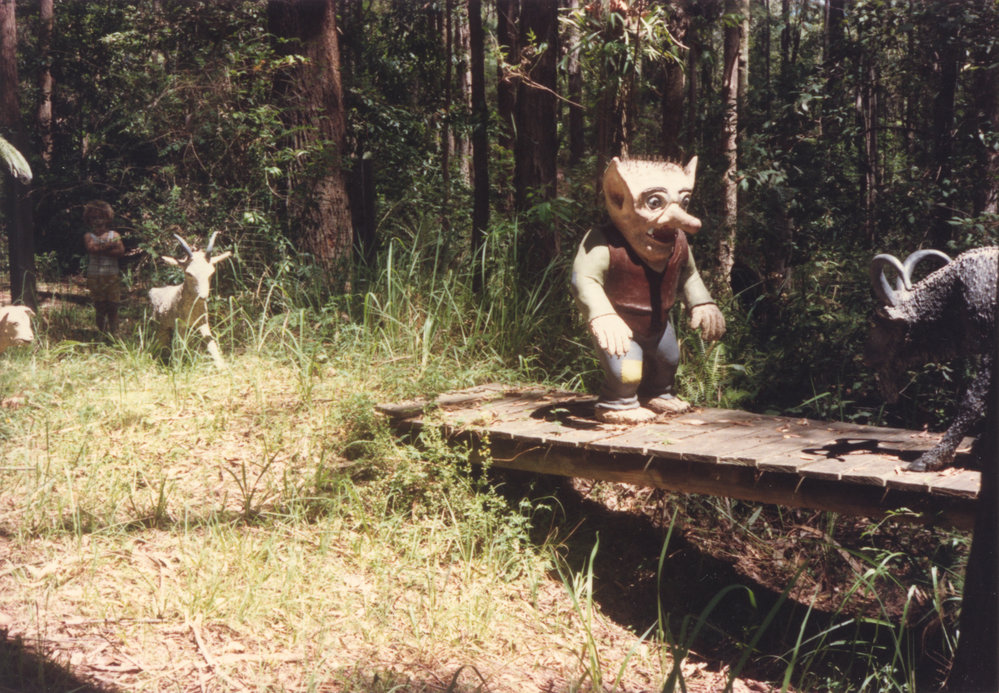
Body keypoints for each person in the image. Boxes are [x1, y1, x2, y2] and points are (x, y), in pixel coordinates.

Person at [82, 200, 125, 336]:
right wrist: (110, 246)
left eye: (101, 217)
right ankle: (102, 334)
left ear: (108, 218)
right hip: (95, 276)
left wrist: (101, 248)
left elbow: (120, 251)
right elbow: (91, 249)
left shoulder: (115, 235)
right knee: (100, 306)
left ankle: (115, 334)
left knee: (113, 306)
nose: (98, 220)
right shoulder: (89, 236)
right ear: (89, 220)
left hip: (112, 275)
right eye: (94, 218)